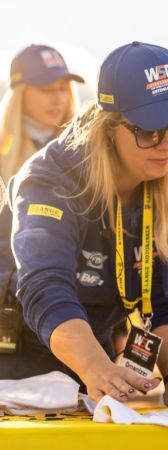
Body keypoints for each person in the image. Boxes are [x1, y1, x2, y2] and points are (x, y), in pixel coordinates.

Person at [1, 41, 168, 410]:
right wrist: (95, 366)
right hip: (18, 354)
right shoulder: (49, 178)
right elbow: (45, 286)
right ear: (109, 127)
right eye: (150, 131)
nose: (167, 145)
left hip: (95, 349)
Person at [0, 44, 84, 308]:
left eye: (63, 88)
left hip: (71, 303)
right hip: (9, 307)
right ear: (20, 93)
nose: (58, 99)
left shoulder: (86, 156)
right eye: (46, 89)